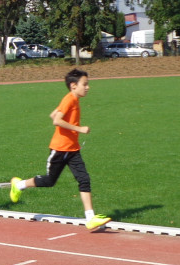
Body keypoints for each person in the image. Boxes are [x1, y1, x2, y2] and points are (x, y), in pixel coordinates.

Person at [9, 68, 111, 231]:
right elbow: (56, 120)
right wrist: (79, 129)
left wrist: (63, 117)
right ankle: (19, 184)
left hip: (73, 150)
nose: (88, 87)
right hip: (60, 149)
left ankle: (90, 218)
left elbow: (53, 114)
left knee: (84, 179)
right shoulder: (69, 99)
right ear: (73, 85)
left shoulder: (74, 100)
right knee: (50, 181)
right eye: (85, 84)